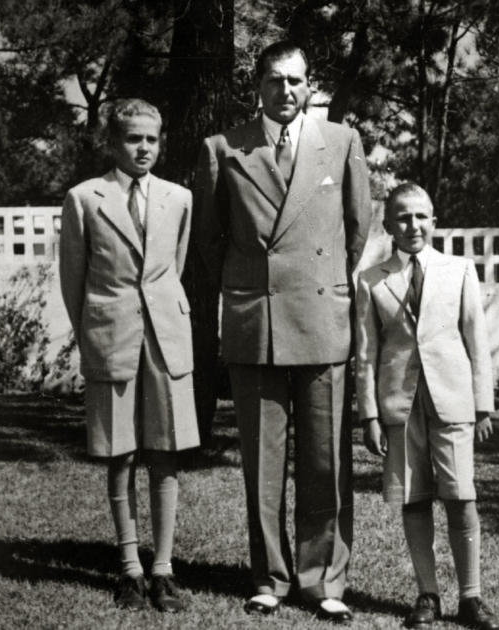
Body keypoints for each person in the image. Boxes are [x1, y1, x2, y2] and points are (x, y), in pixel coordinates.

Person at [194, 40, 372, 623]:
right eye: (275, 81)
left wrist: (326, 285)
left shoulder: (342, 142)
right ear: (258, 84)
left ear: (310, 83)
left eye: (296, 81)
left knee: (326, 460)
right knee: (262, 462)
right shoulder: (224, 148)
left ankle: (323, 581)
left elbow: (356, 230)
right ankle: (269, 577)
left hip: (322, 319)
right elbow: (210, 240)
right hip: (257, 321)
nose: (286, 91)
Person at [59, 99, 199, 614]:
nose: (144, 148)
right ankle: (130, 569)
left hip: (165, 339)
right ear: (112, 143)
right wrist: (95, 333)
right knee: (120, 455)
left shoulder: (178, 198)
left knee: (165, 452)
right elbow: (73, 281)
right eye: (134, 139)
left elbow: (172, 270)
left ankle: (162, 569)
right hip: (111, 337)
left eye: (152, 140)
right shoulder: (84, 198)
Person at [355, 183, 499, 630]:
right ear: (388, 226)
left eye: (421, 216)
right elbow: (365, 353)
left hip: (452, 398)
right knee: (414, 498)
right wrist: (370, 415)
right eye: (403, 217)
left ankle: (471, 598)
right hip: (400, 403)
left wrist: (482, 405)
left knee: (461, 497)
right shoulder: (372, 279)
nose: (413, 225)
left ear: (434, 221)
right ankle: (427, 594)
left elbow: (476, 338)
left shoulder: (458, 269)